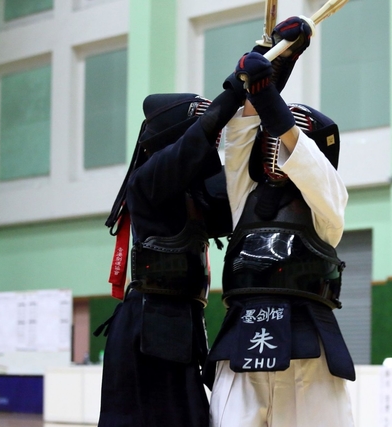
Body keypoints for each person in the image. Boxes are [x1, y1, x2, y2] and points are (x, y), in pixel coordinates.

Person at [205, 37, 355, 427]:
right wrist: (270, 63)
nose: (278, 148)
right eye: (271, 139)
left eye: (287, 142)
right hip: (243, 332)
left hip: (308, 340)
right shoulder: (243, 195)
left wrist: (274, 108)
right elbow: (239, 138)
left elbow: (312, 170)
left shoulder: (328, 202)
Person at [94, 78, 247, 426]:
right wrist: (235, 91)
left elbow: (239, 186)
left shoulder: (194, 194)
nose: (211, 141)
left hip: (179, 323)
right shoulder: (149, 179)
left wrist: (264, 91)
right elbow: (193, 146)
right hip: (147, 326)